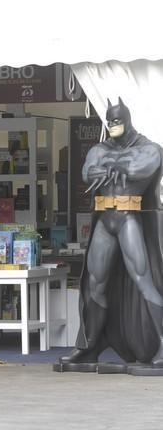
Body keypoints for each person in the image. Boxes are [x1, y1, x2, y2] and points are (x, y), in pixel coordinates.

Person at [60, 98, 163, 367]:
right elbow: (87, 172)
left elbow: (146, 167)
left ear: (127, 120)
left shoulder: (148, 147)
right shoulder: (99, 148)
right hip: (106, 218)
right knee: (95, 283)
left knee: (144, 280)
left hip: (130, 217)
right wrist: (114, 167)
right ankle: (90, 345)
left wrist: (120, 167)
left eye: (117, 119)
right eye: (109, 120)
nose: (113, 124)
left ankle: (162, 343)